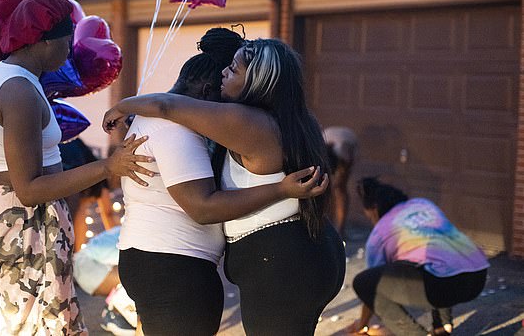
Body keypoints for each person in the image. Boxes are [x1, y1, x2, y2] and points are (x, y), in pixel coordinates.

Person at [103, 35, 346, 335]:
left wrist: (122, 106)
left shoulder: (245, 120)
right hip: (308, 253)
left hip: (282, 265)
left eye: (233, 70)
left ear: (256, 82)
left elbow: (167, 106)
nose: (223, 74)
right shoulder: (292, 118)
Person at [0, 0, 154, 335]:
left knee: (21, 315)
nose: (69, 51)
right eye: (66, 41)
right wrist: (108, 167)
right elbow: (29, 189)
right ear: (41, 40)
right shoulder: (19, 90)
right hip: (27, 220)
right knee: (44, 323)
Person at [346, 177, 489, 336]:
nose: (372, 220)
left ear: (374, 209)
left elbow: (372, 287)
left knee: (363, 282)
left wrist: (362, 324)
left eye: (370, 216)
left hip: (442, 283)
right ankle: (442, 328)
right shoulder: (423, 204)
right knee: (434, 261)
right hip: (478, 274)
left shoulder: (380, 231)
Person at [324, 126, 358, 238]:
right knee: (325, 189)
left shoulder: (344, 152)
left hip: (347, 144)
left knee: (340, 189)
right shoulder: (320, 148)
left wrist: (338, 181)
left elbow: (340, 180)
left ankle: (340, 230)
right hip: (329, 140)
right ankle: (326, 226)